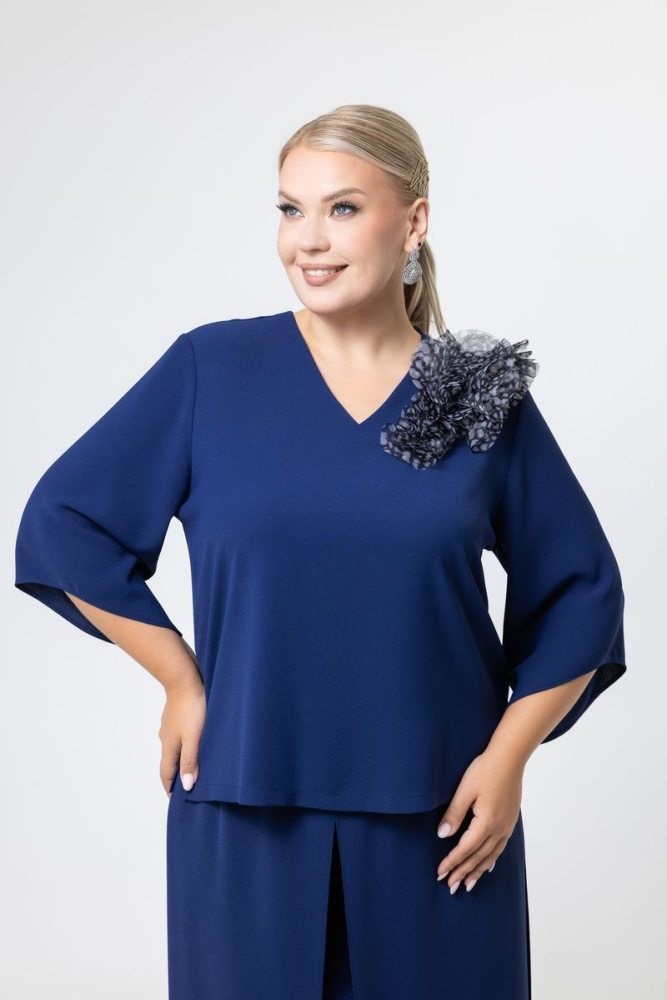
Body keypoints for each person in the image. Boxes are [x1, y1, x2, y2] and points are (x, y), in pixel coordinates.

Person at [14, 103, 627, 999]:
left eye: (342, 208)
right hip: (244, 807)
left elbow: (581, 592)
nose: (308, 239)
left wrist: (507, 760)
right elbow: (64, 523)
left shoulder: (473, 391)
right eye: (289, 209)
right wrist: (180, 679)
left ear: (413, 221)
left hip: (443, 823)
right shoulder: (211, 371)